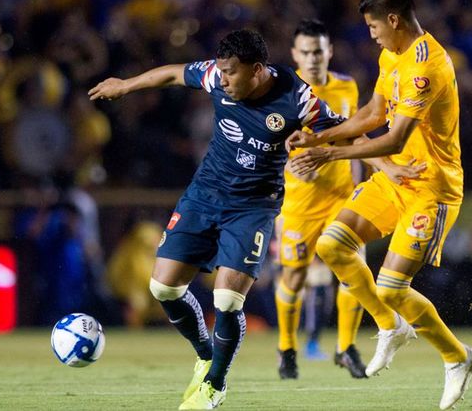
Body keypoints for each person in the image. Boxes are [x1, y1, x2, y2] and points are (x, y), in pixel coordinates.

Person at [88, 29, 354, 410]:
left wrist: (371, 158)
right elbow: (172, 73)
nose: (223, 79)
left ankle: (215, 385)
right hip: (204, 195)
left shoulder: (298, 100)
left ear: (258, 70)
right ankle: (205, 353)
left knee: (227, 298)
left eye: (231, 73)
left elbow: (345, 133)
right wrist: (125, 85)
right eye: (221, 72)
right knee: (163, 288)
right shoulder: (216, 76)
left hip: (253, 206)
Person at [286, 0, 472, 410]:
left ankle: (458, 357)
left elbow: (393, 136)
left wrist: (329, 152)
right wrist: (318, 136)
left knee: (393, 286)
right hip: (395, 182)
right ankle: (390, 326)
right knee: (332, 245)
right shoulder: (390, 55)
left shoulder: (426, 66)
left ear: (393, 20)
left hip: (431, 188)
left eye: (374, 25)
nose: (371, 34)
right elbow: (374, 115)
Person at [276, 18, 407, 380]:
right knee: (295, 276)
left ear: (329, 51)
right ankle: (286, 348)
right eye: (306, 52)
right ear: (294, 55)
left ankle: (345, 347)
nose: (313, 57)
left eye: (318, 50)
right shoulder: (283, 91)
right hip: (299, 203)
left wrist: (363, 179)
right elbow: (270, 142)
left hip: (341, 196)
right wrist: (289, 170)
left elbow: (353, 137)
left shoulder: (346, 86)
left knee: (352, 271)